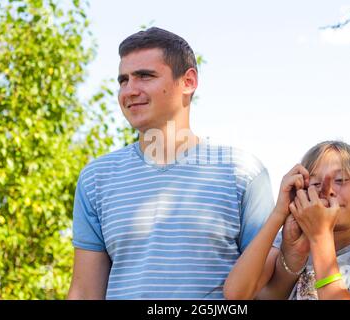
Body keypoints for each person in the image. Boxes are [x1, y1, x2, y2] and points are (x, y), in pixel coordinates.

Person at [67, 27, 275, 299]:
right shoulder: (96, 178)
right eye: (123, 80)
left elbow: (266, 289)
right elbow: (84, 292)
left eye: (145, 76)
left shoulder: (243, 172)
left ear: (188, 81)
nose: (129, 90)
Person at [224, 140, 350, 300]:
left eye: (340, 180)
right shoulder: (286, 242)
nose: (327, 190)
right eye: (315, 183)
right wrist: (279, 213)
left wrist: (320, 236)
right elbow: (236, 294)